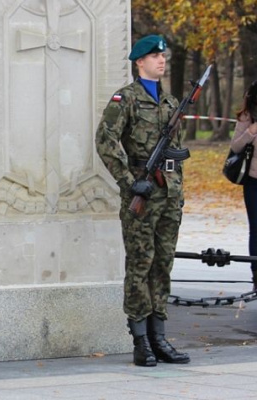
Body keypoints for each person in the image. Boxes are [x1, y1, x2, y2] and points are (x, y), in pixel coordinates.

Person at [95, 34, 191, 367]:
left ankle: (159, 336)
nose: (161, 60)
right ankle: (140, 340)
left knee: (163, 264)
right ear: (140, 62)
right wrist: (130, 183)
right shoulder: (126, 99)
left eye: (163, 56)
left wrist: (176, 191)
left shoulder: (171, 103)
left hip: (168, 194)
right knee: (140, 264)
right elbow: (105, 141)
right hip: (142, 193)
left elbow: (176, 153)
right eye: (154, 56)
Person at [229, 80, 257, 293]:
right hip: (253, 182)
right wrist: (251, 132)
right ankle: (256, 273)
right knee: (255, 229)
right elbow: (235, 146)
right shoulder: (247, 117)